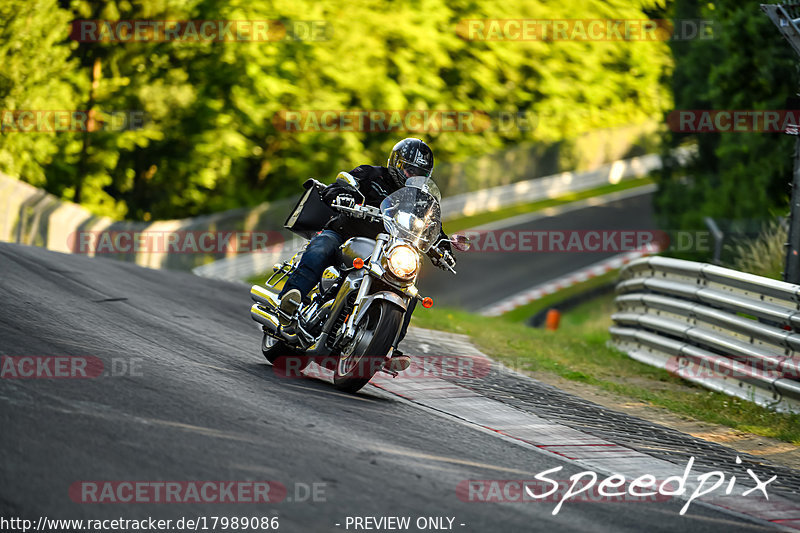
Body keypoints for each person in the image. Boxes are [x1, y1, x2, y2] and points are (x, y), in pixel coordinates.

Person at [277, 138, 454, 370]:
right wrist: (341, 194)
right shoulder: (371, 174)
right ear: (396, 163)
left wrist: (444, 247)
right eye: (409, 169)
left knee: (409, 288)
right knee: (321, 248)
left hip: (386, 251)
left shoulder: (419, 199)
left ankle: (388, 346)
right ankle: (289, 303)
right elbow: (340, 184)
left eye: (419, 173)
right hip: (346, 234)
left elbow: (432, 226)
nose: (412, 176)